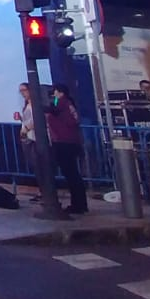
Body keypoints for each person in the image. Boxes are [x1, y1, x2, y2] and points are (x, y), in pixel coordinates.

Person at [47, 83, 88, 214]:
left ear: (60, 93)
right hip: (71, 142)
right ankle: (80, 204)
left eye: (55, 92)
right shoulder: (68, 104)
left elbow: (52, 110)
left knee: (71, 174)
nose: (53, 94)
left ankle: (78, 205)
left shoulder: (62, 103)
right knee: (73, 174)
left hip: (64, 142)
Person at [14, 82, 40, 199]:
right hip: (28, 137)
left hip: (34, 138)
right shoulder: (27, 105)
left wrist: (27, 128)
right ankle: (42, 190)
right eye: (21, 91)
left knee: (39, 165)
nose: (22, 93)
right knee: (35, 165)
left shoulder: (35, 104)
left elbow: (37, 119)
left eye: (24, 90)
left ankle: (44, 191)